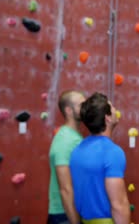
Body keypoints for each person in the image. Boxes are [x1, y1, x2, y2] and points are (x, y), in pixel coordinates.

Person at [70, 92, 130, 224]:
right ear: (107, 118)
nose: (116, 110)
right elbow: (118, 205)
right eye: (112, 107)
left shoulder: (77, 151)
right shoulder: (112, 152)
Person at [48, 90, 85, 224]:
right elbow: (65, 188)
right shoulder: (65, 140)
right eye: (82, 105)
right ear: (69, 110)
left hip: (70, 213)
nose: (85, 109)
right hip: (64, 216)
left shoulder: (74, 136)